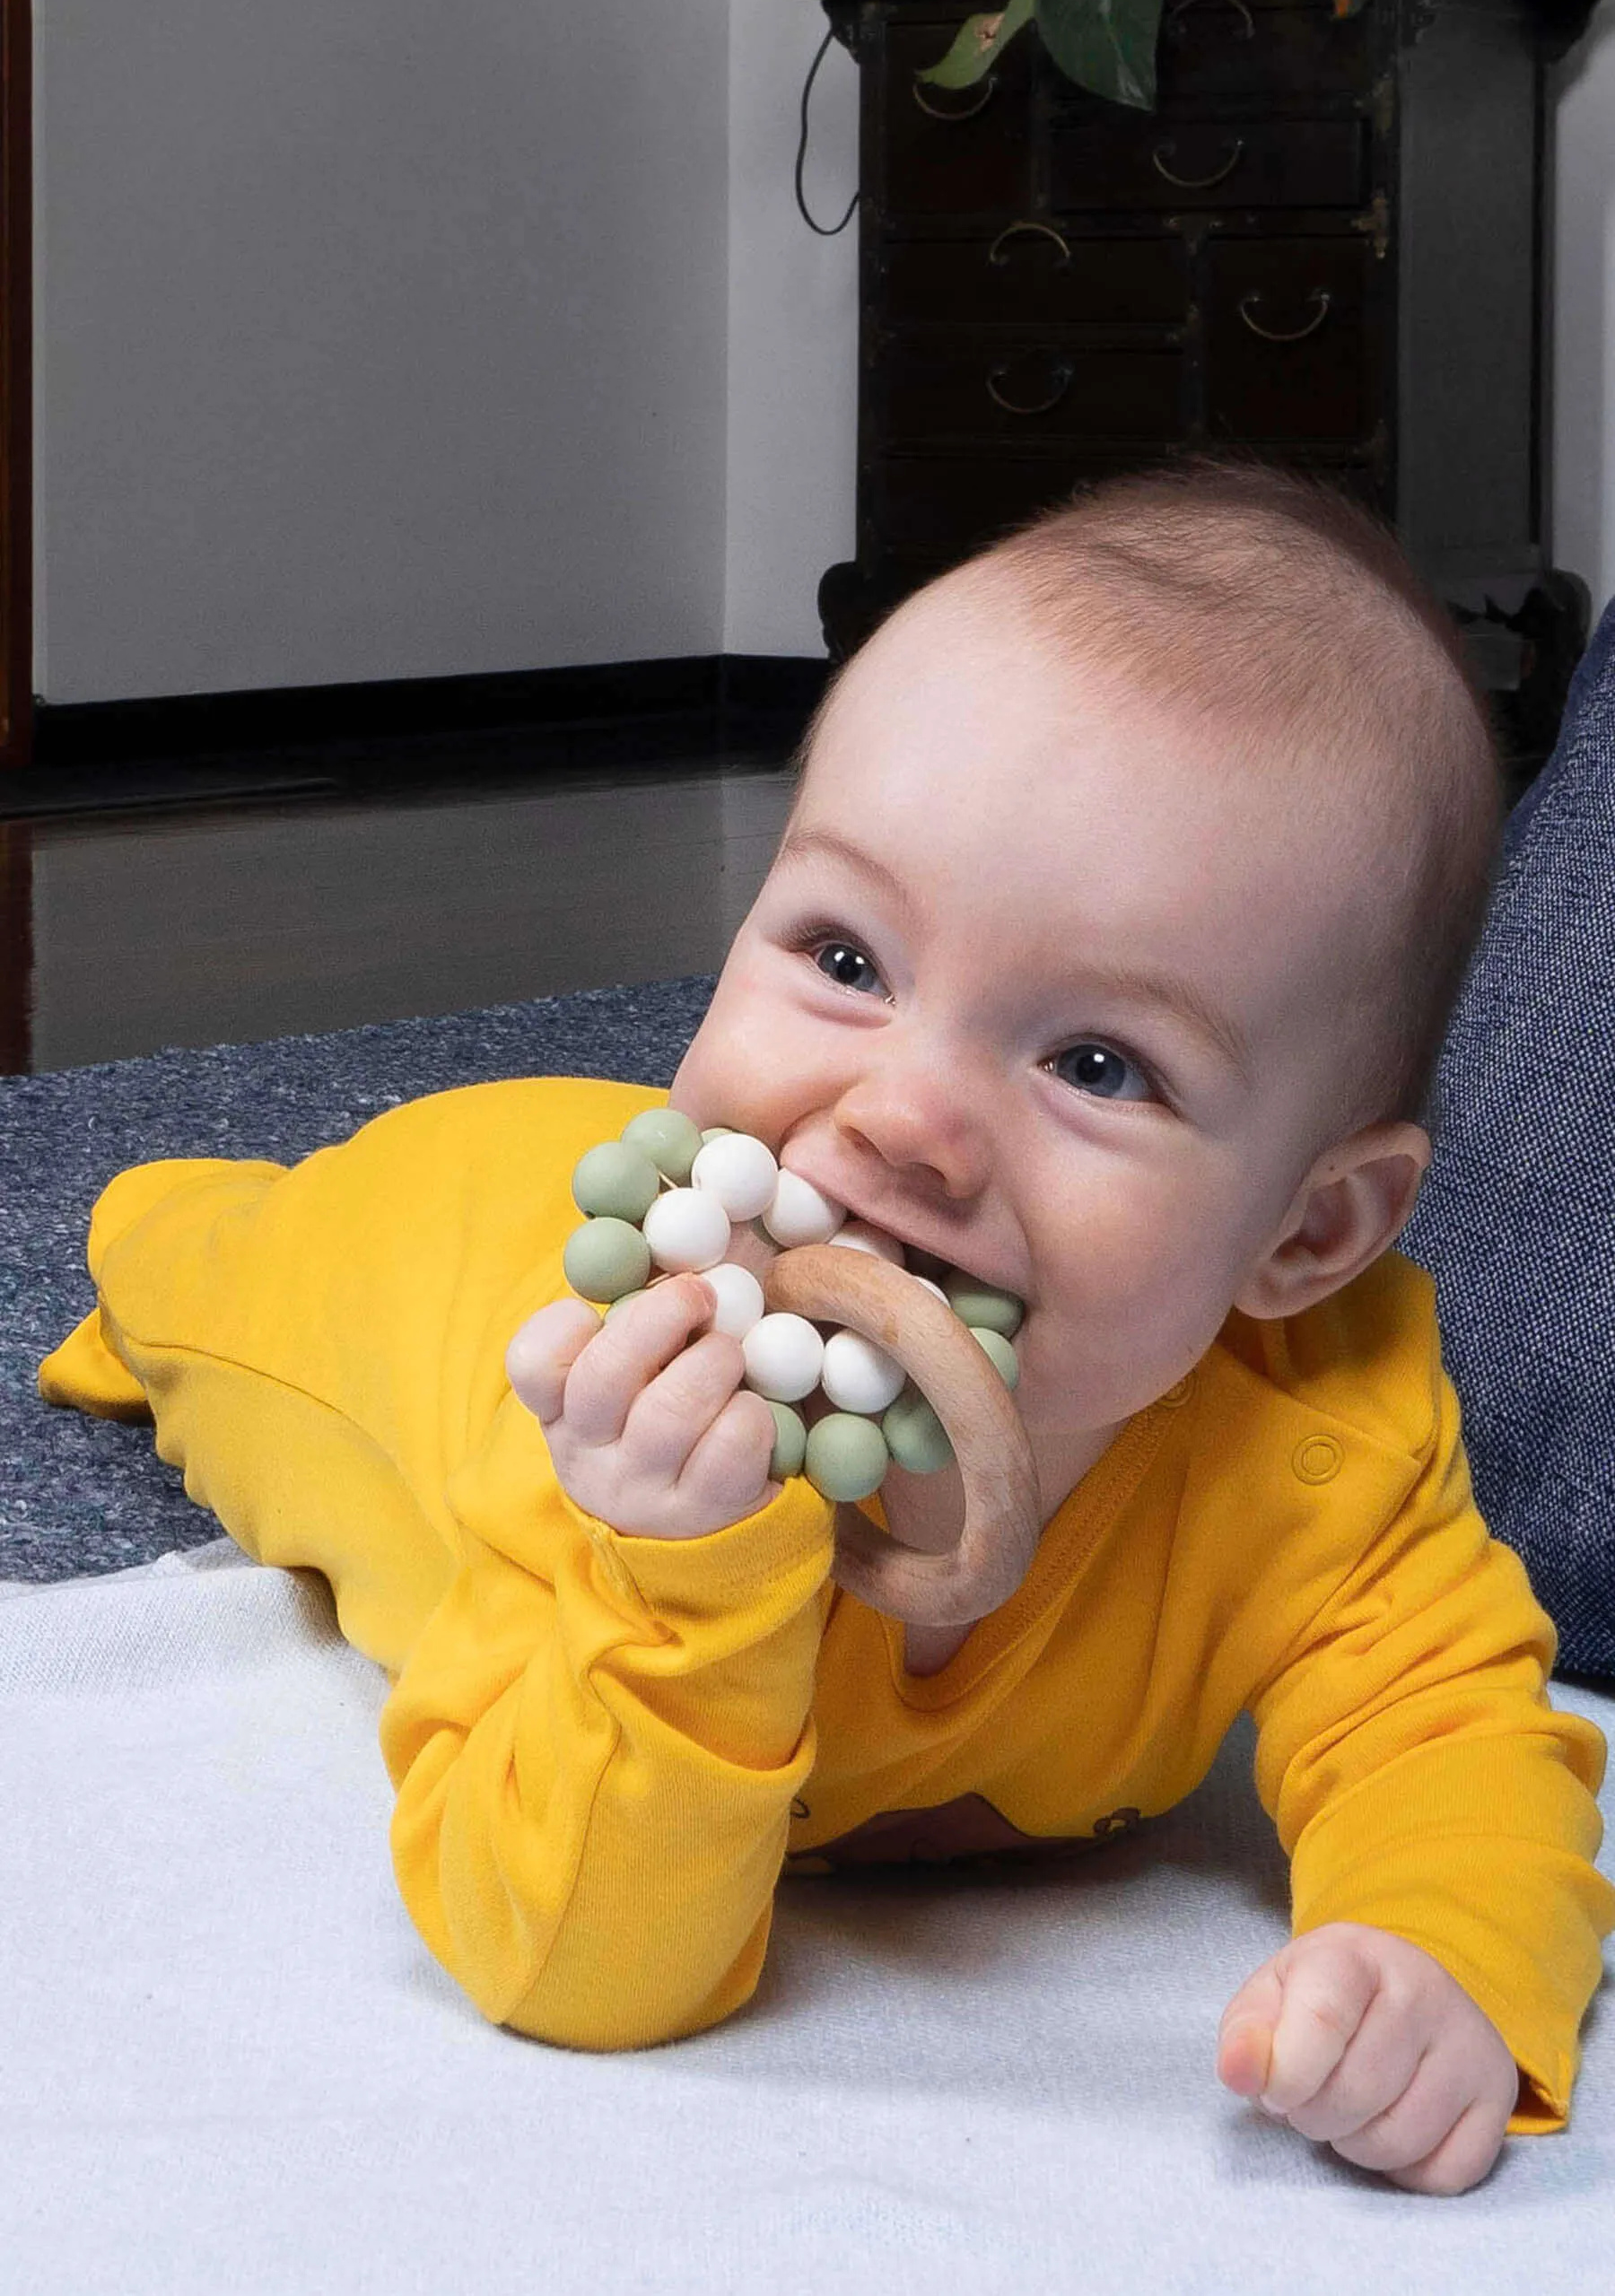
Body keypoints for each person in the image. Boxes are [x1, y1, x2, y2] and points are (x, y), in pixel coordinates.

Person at [38, 460, 1612, 2199]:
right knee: (218, 1268)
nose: (901, 1120)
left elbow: (1454, 1734)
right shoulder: (611, 1401)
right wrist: (680, 1577)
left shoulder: (1332, 1428)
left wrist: (1444, 1960)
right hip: (422, 1274)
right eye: (847, 957)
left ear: (1307, 1233)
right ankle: (165, 1221)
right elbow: (568, 1966)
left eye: (1094, 1063)